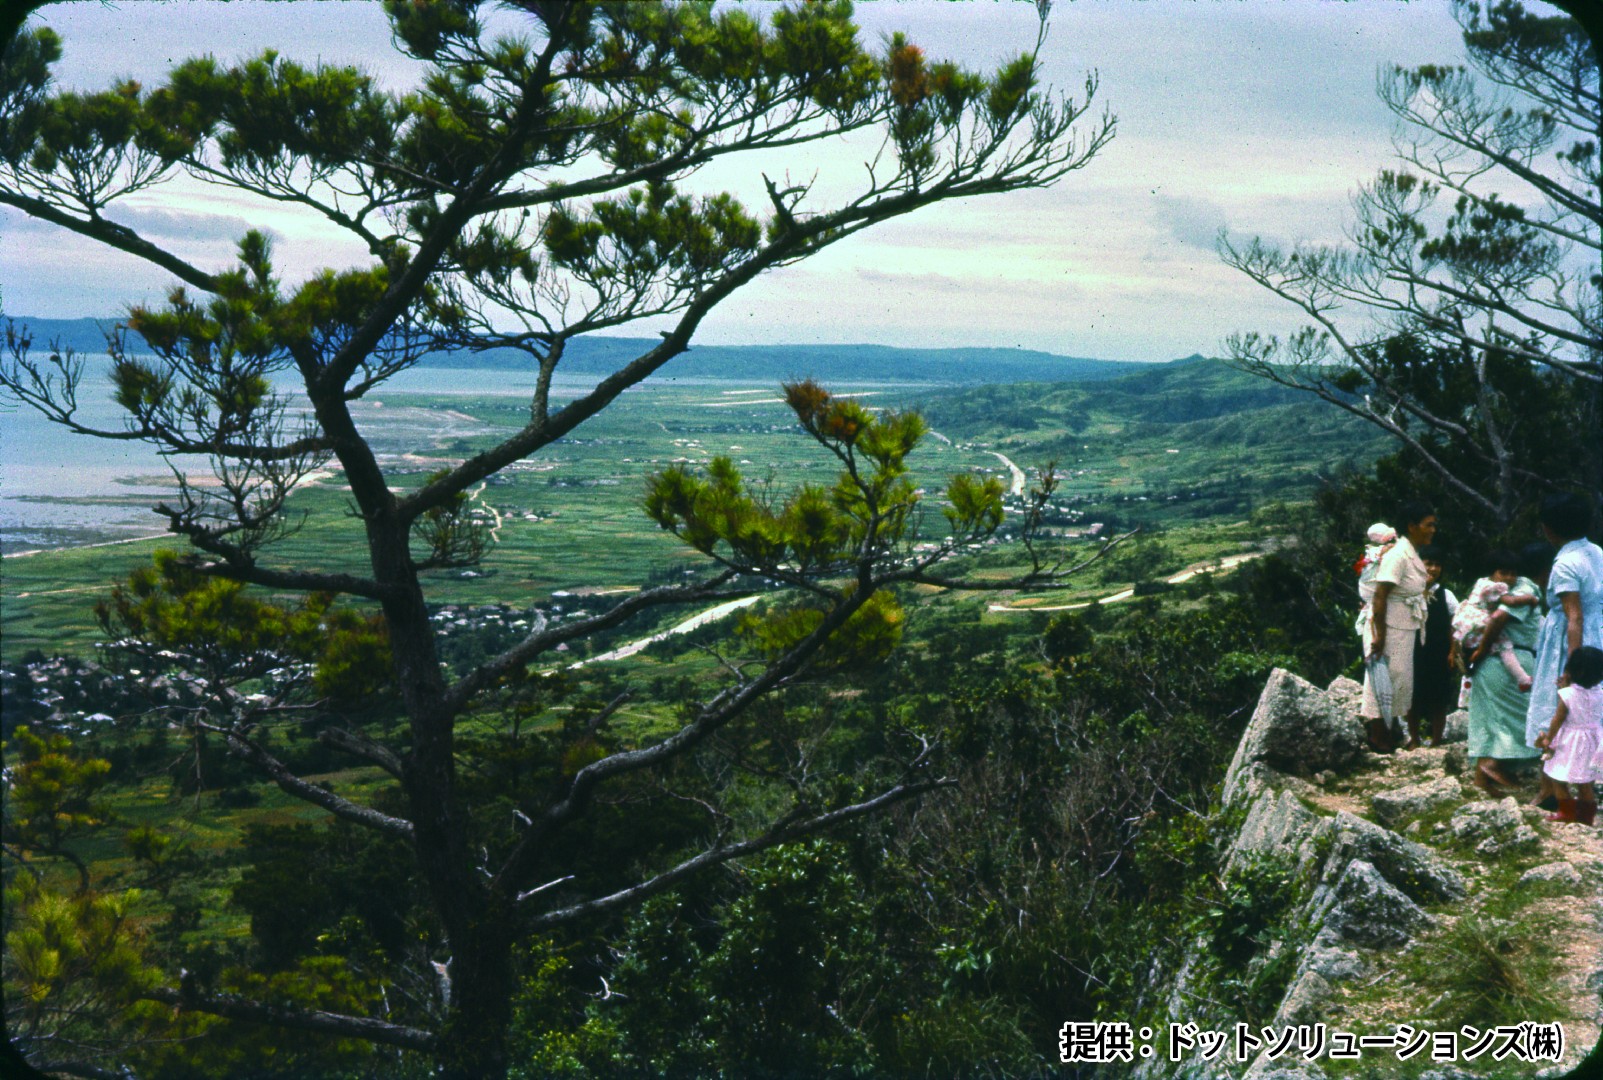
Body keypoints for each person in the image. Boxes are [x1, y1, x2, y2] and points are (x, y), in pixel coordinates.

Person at [1526, 493, 1603, 806]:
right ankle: (1578, 783)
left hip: (1570, 642)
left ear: (1549, 528)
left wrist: (1572, 667)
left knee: (1556, 705)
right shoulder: (1596, 552)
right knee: (1588, 711)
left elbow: (1574, 616)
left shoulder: (1564, 564)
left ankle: (1551, 788)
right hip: (1597, 635)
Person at [1465, 545, 1548, 791]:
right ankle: (1493, 763)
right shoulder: (1526, 588)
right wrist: (1482, 649)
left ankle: (1483, 780)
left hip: (1491, 660)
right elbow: (1499, 618)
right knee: (1525, 719)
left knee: (1489, 719)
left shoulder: (1492, 586)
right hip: (1507, 659)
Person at [1361, 501, 1436, 752]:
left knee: (1399, 680)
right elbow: (1380, 595)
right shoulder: (1398, 555)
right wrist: (1379, 635)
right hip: (1388, 627)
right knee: (1382, 678)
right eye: (1428, 525)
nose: (1432, 530)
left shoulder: (1409, 553)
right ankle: (1378, 736)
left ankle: (1387, 732)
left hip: (1404, 626)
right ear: (1412, 526)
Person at [1533, 646, 1603, 825]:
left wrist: (1548, 738)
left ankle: (1566, 811)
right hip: (1593, 740)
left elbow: (1558, 719)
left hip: (1571, 741)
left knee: (1557, 776)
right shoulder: (1600, 693)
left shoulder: (1567, 694)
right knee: (1585, 780)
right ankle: (1587, 815)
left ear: (1573, 670)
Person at [1454, 556, 1540, 691]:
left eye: (1513, 574)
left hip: (1466, 624)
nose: (1509, 578)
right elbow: (1511, 601)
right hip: (1479, 622)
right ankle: (1523, 679)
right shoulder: (1494, 588)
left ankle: (1468, 668)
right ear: (1492, 572)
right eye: (1503, 573)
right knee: (1504, 646)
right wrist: (1529, 599)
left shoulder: (1481, 582)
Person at [1408, 545, 1457, 749]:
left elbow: (1455, 626)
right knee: (1412, 696)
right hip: (1412, 652)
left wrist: (1453, 651)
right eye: (1428, 563)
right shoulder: (1406, 593)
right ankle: (1414, 739)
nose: (1433, 569)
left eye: (1437, 565)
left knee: (1439, 697)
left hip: (1439, 653)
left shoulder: (1446, 595)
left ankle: (1437, 740)